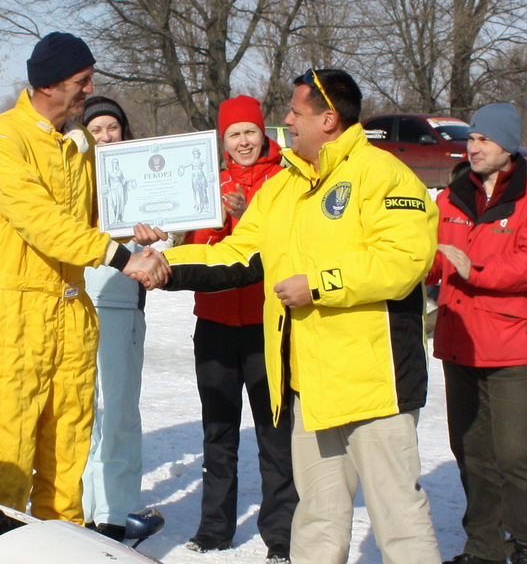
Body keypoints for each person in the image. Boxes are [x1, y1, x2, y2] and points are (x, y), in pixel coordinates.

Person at [138, 69, 441, 564]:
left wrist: (320, 283)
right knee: (317, 525)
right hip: (309, 388)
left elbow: (403, 262)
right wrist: (167, 266)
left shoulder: (383, 174)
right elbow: (238, 254)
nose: (286, 120)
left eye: (295, 111)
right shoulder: (285, 189)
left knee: (400, 523)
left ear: (328, 118)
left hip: (375, 387)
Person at [0, 32, 167, 520]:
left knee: (67, 454)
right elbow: (43, 223)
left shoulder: (78, 145)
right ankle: (2, 548)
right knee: (9, 456)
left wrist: (147, 219)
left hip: (72, 313)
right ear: (50, 84)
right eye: (82, 80)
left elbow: (102, 215)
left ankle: (60, 544)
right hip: (16, 318)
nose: (89, 88)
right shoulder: (1, 140)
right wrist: (121, 259)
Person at [428, 103, 527, 564]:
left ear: (507, 146)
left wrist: (476, 269)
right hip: (460, 340)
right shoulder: (449, 198)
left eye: (484, 140)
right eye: (471, 139)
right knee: (471, 454)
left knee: (514, 457)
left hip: (515, 348)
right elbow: (428, 256)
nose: (474, 147)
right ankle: (483, 548)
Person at [180, 95, 296, 564]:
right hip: (214, 320)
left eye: (250, 131)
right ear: (223, 139)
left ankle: (282, 535)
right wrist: (212, 228)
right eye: (234, 134)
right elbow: (195, 244)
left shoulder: (286, 178)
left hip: (268, 325)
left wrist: (249, 218)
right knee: (218, 430)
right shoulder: (209, 180)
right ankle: (214, 529)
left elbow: (290, 243)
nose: (244, 141)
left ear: (263, 132)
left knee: (275, 432)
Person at [80, 96, 149, 541]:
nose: (105, 136)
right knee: (80, 413)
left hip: (123, 303)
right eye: (96, 129)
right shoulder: (73, 178)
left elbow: (172, 229)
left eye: (112, 128)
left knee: (120, 410)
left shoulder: (142, 175)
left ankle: (115, 514)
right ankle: (80, 507)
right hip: (77, 299)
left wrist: (156, 233)